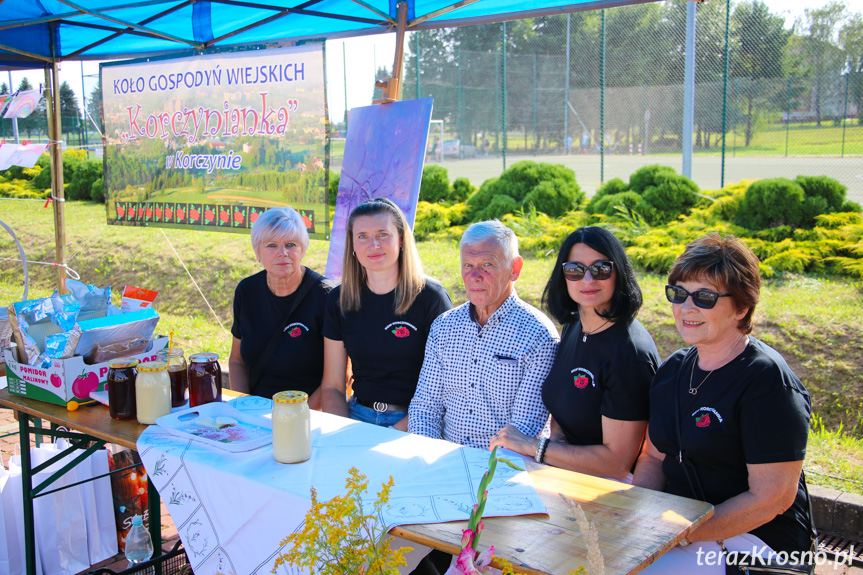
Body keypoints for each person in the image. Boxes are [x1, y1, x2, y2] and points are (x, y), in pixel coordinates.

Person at [634, 233, 814, 574]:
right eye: (679, 293)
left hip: (759, 544)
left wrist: (681, 534)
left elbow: (771, 500)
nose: (687, 308)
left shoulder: (766, 381)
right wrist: (638, 515)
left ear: (742, 307)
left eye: (704, 297)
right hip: (681, 527)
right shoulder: (673, 370)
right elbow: (655, 457)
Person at [489, 227, 659, 482]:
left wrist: (534, 448)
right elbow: (563, 412)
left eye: (601, 269)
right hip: (564, 471)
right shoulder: (574, 326)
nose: (587, 280)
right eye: (575, 270)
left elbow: (617, 463)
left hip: (607, 490)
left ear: (619, 273)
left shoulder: (630, 355)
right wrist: (550, 449)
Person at [408, 220, 559, 450]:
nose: (475, 275)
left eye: (488, 264)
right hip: (443, 457)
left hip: (503, 466)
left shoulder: (538, 336)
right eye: (468, 265)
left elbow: (524, 430)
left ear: (514, 269)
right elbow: (425, 408)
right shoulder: (444, 327)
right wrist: (428, 458)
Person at [320, 197, 452, 429]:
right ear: (352, 245)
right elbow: (332, 386)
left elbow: (447, 387)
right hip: (355, 417)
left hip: (416, 422)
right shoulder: (338, 300)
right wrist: (341, 432)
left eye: (383, 234)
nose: (374, 245)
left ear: (401, 239)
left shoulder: (431, 297)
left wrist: (393, 433)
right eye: (362, 236)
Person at [229, 207, 329, 406]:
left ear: (303, 249)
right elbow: (236, 361)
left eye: (291, 244)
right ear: (258, 251)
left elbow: (337, 378)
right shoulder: (246, 291)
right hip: (256, 410)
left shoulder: (326, 296)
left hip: (309, 412)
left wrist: (295, 416)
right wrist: (244, 406)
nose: (282, 253)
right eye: (272, 245)